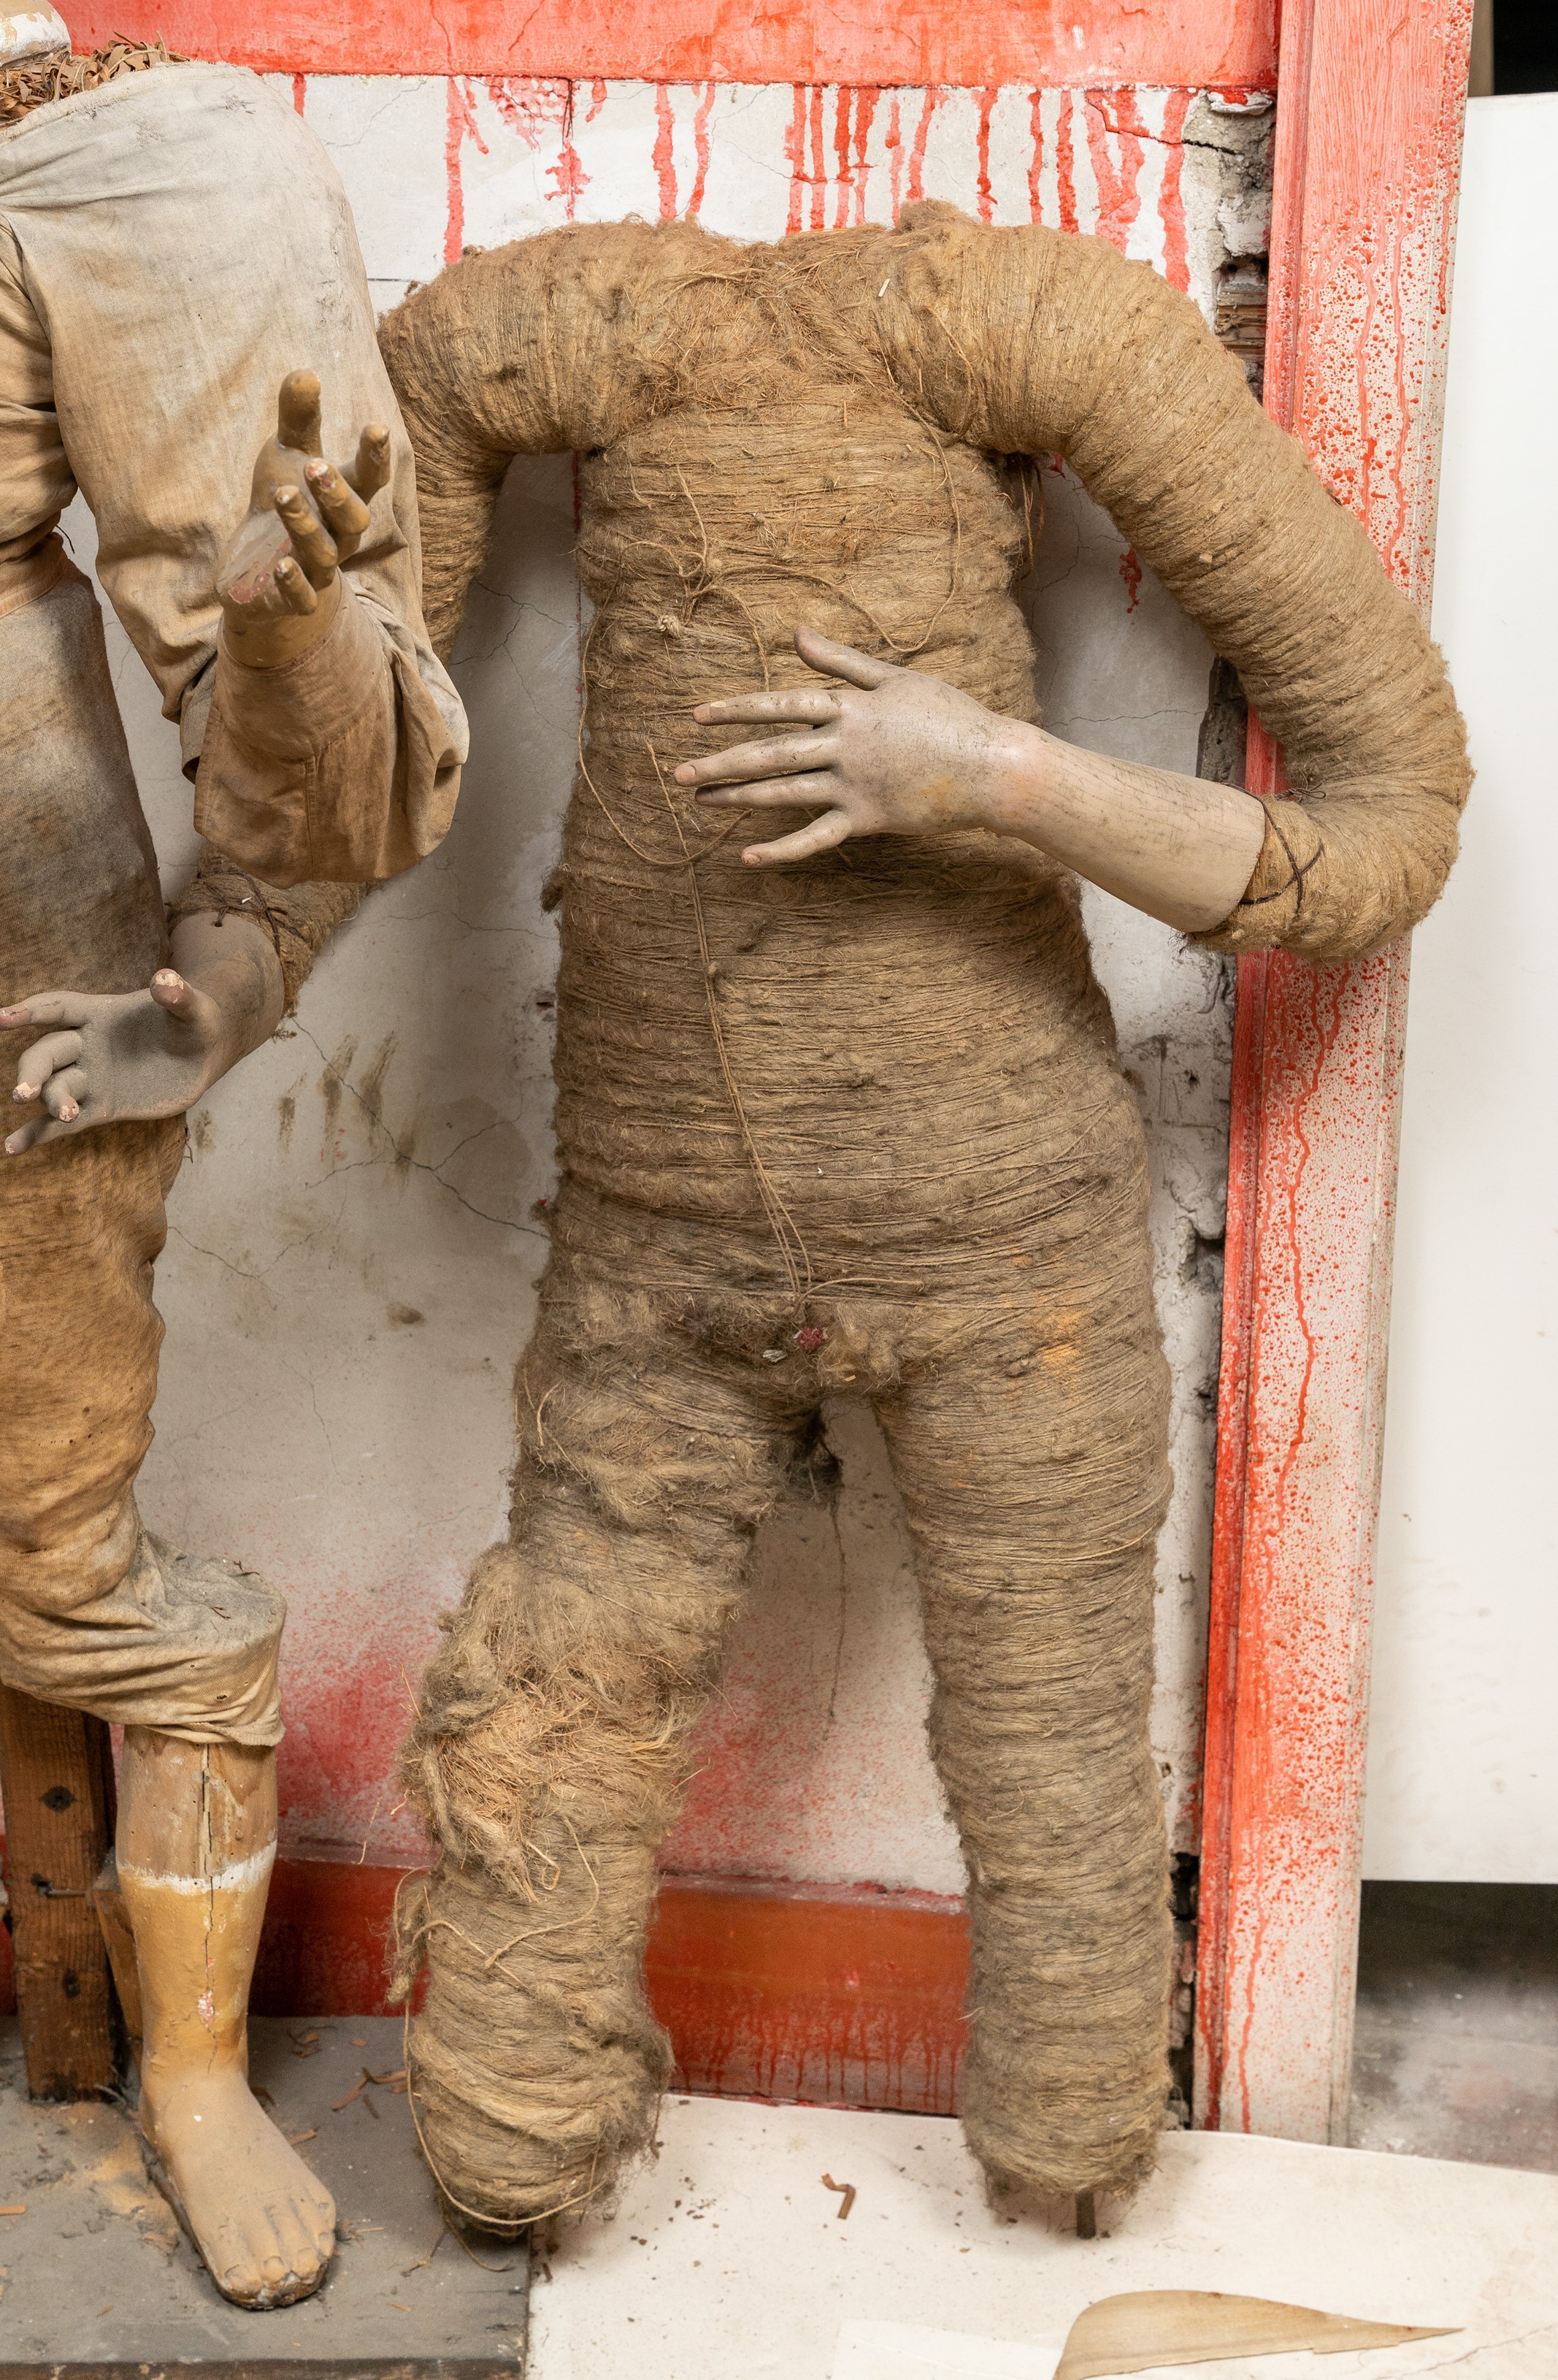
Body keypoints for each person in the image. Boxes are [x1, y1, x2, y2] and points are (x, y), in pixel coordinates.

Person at [0, 22, 465, 2308]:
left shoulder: (128, 159)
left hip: (16, 992)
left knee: (56, 1546)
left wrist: (289, 640)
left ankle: (191, 2071)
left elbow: (321, 783)